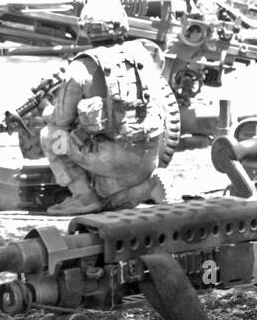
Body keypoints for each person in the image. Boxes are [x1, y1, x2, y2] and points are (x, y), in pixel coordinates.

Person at [36, 37, 170, 216]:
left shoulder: (81, 66)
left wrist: (46, 109)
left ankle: (83, 197)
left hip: (112, 159)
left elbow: (61, 119)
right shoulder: (142, 54)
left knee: (50, 135)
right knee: (113, 199)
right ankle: (150, 183)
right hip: (150, 156)